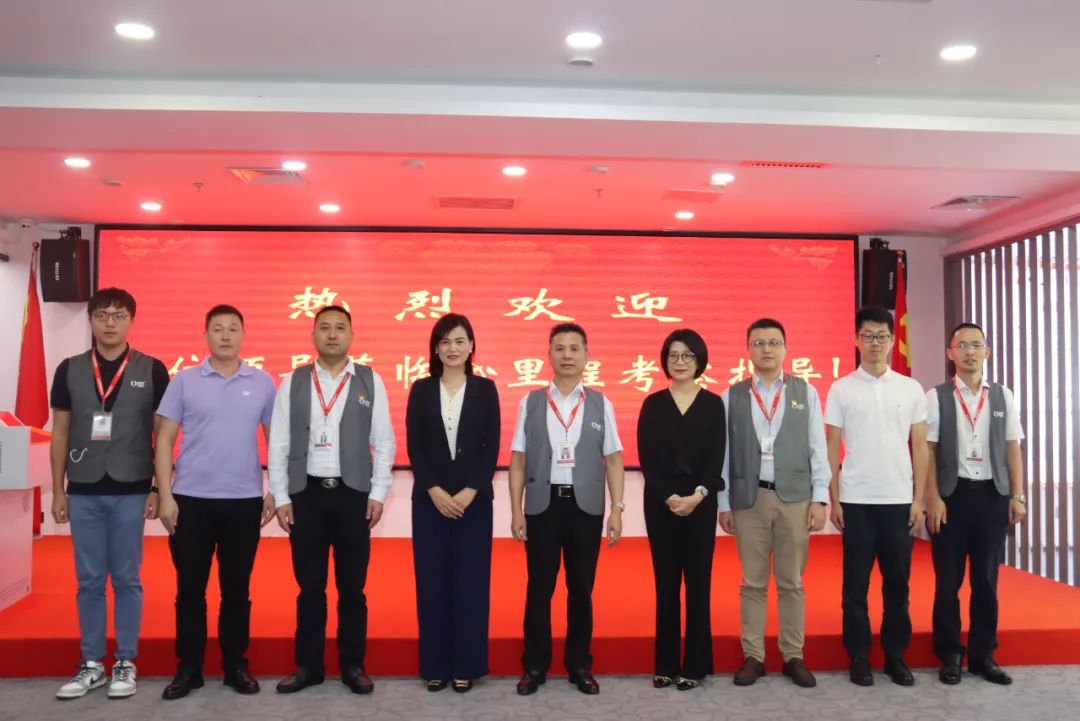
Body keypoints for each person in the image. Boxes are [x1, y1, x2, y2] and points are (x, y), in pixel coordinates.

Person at [267, 305, 395, 695]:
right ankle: (308, 666)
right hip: (306, 496)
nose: (333, 334)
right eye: (325, 328)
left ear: (352, 336)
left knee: (353, 588)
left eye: (340, 328)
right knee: (310, 588)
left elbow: (384, 441)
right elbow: (279, 443)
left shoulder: (370, 380)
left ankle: (353, 665)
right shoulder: (293, 382)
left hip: (353, 495)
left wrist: (377, 492)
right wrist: (281, 496)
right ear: (313, 336)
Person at [50, 287, 170, 700]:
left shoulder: (152, 369)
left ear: (131, 320)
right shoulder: (69, 369)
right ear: (90, 320)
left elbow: (163, 435)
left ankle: (125, 661)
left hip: (132, 488)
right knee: (88, 580)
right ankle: (91, 663)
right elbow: (60, 433)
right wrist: (58, 491)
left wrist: (158, 486)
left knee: (126, 578)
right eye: (102, 315)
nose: (110, 323)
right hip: (83, 488)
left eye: (119, 315)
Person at [154, 305, 278, 699]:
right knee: (189, 591)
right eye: (218, 329)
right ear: (206, 335)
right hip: (190, 501)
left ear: (244, 335)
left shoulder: (262, 382)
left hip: (243, 501)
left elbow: (277, 440)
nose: (225, 336)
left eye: (233, 329)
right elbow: (163, 440)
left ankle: (235, 666)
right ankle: (188, 669)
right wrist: (165, 495)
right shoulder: (184, 381)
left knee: (236, 590)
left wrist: (275, 489)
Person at [509, 323, 626, 696]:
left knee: (581, 589)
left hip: (585, 508)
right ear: (548, 355)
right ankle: (535, 666)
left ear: (587, 356)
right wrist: (516, 511)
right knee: (539, 588)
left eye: (575, 349)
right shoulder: (530, 402)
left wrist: (617, 508)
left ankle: (579, 664)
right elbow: (518, 460)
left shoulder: (601, 403)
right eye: (559, 348)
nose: (567, 355)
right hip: (542, 506)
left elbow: (614, 459)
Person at [717, 318, 830, 688]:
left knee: (791, 582)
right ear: (748, 350)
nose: (766, 349)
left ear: (785, 348)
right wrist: (724, 503)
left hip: (794, 499)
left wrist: (820, 498)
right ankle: (753, 656)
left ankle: (793, 655)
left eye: (774, 342)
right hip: (749, 501)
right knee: (752, 582)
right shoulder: (731, 396)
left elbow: (817, 448)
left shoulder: (805, 392)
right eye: (759, 342)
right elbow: (724, 454)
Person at [825, 304, 929, 687]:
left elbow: (921, 447)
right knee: (855, 586)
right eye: (867, 336)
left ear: (891, 339)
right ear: (856, 340)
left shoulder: (910, 388)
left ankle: (895, 656)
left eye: (881, 336)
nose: (874, 343)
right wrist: (835, 498)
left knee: (897, 584)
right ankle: (858, 656)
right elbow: (831, 447)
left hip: (898, 500)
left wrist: (918, 499)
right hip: (856, 500)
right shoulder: (841, 388)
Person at [925, 322, 1026, 686]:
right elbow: (928, 451)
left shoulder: (1002, 396)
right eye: (962, 345)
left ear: (987, 352)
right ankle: (950, 654)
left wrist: (1017, 496)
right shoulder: (936, 396)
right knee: (947, 581)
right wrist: (932, 498)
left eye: (976, 345)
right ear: (950, 353)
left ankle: (984, 655)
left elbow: (1012, 447)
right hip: (951, 498)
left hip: (992, 497)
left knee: (986, 579)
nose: (969, 352)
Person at [406, 313, 500, 693]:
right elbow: (414, 445)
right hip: (430, 503)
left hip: (473, 504)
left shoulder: (485, 389)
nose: (452, 348)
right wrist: (434, 490)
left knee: (471, 585)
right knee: (432, 584)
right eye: (445, 341)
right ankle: (435, 665)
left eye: (460, 340)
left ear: (471, 346)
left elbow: (490, 445)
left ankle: (466, 665)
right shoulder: (420, 389)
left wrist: (470, 490)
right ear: (435, 348)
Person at [636, 329, 724, 690]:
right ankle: (666, 664)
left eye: (688, 355)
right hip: (661, 505)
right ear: (665, 361)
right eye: (673, 355)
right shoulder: (653, 404)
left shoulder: (714, 404)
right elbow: (647, 458)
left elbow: (716, 458)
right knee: (666, 585)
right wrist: (669, 496)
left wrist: (697, 496)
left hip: (701, 505)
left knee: (699, 584)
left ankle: (695, 665)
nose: (680, 362)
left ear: (699, 360)